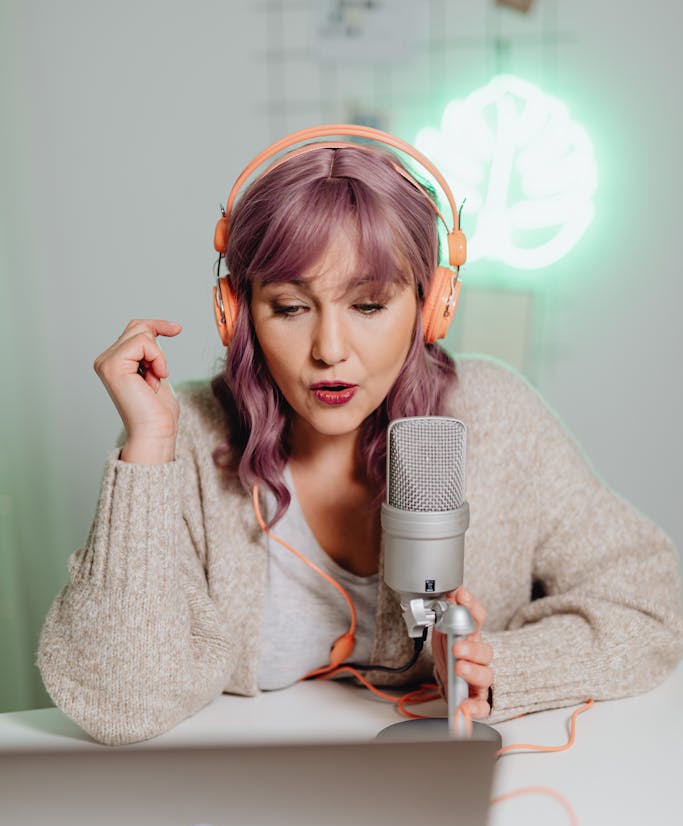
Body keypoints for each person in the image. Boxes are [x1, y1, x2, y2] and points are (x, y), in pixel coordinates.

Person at [36, 126, 683, 746]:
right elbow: (118, 702)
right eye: (290, 307)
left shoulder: (495, 418)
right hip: (257, 793)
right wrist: (147, 452)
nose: (329, 349)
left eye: (368, 305)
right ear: (237, 314)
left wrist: (500, 668)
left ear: (431, 307)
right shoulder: (186, 439)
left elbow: (652, 602)